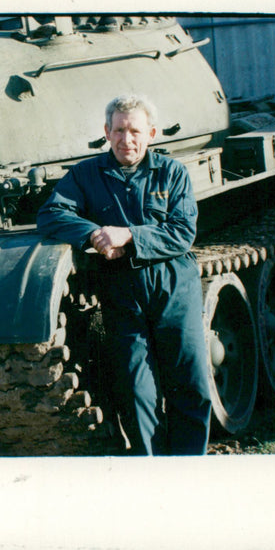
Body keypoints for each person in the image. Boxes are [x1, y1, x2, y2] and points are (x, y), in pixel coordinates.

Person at [36, 94, 212, 455]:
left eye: (134, 131)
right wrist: (92, 234)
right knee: (136, 389)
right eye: (118, 130)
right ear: (106, 131)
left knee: (189, 384)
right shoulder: (87, 175)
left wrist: (129, 235)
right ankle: (150, 470)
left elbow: (181, 231)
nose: (126, 139)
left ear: (151, 133)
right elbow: (52, 213)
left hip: (173, 286)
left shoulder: (171, 172)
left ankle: (190, 465)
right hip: (122, 292)